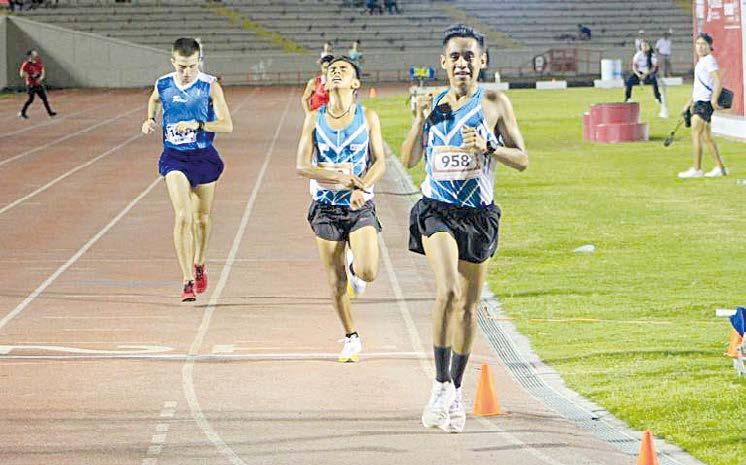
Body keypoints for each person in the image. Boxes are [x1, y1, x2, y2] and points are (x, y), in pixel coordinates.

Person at [401, 24, 528, 433]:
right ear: (443, 62)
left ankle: (455, 390)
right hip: (437, 210)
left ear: (482, 61)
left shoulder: (494, 103)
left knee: (470, 307)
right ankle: (439, 384)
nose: (461, 63)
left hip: (477, 215)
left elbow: (522, 159)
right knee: (449, 292)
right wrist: (418, 122)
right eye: (454, 56)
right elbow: (409, 159)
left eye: (469, 56)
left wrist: (489, 146)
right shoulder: (432, 104)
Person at [296, 57, 386, 363]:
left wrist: (361, 187)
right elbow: (301, 165)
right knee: (336, 282)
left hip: (359, 206)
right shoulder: (313, 118)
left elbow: (380, 162)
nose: (336, 72)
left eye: (343, 69)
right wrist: (336, 178)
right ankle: (351, 337)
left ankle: (355, 263)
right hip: (325, 207)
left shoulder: (368, 117)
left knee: (368, 271)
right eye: (332, 69)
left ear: (355, 83)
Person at [141, 38, 233, 301]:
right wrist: (150, 119)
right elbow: (154, 100)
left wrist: (198, 124)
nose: (186, 72)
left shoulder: (209, 86)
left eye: (192, 66)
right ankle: (186, 280)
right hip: (174, 158)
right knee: (183, 217)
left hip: (203, 157)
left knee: (201, 219)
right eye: (182, 67)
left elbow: (227, 125)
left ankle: (199, 263)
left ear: (198, 62)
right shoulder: (163, 84)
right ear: (173, 62)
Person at [678, 33, 727, 179]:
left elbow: (718, 81)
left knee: (696, 134)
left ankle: (697, 169)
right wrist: (689, 103)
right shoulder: (702, 61)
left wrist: (713, 100)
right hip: (700, 101)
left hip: (704, 103)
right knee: (706, 137)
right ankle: (720, 168)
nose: (700, 47)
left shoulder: (709, 61)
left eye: (703, 44)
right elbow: (699, 86)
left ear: (710, 46)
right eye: (698, 44)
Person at [17, 49, 56, 120]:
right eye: (34, 53)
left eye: (35, 53)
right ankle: (22, 113)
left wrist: (40, 78)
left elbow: (42, 71)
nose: (35, 54)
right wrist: (29, 76)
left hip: (38, 84)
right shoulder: (26, 64)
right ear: (30, 55)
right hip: (31, 85)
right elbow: (21, 74)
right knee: (30, 99)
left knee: (44, 98)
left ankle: (50, 113)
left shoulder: (38, 63)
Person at [624, 39, 662, 105]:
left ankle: (657, 98)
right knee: (629, 81)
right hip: (639, 73)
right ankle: (628, 98)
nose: (645, 47)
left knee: (654, 81)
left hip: (648, 73)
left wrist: (646, 74)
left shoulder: (652, 55)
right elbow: (634, 67)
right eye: (643, 46)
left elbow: (653, 68)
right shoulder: (638, 55)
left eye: (646, 45)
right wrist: (639, 75)